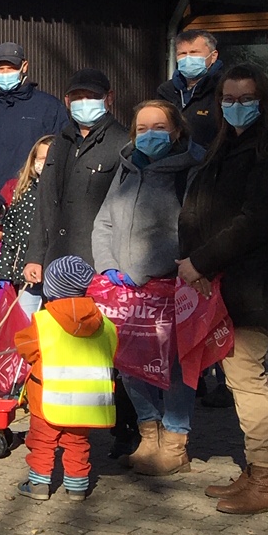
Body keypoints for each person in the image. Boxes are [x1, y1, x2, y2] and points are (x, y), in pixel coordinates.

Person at [178, 63, 268, 515]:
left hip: (254, 286)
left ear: (263, 101)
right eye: (228, 100)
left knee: (248, 378)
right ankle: (256, 469)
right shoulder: (226, 145)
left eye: (245, 99)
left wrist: (200, 260)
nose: (235, 107)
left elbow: (256, 222)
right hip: (223, 283)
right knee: (239, 378)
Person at [92, 99, 203, 477]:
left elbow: (191, 228)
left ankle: (175, 442)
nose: (149, 135)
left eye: (159, 127)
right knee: (127, 364)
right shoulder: (126, 169)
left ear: (176, 132)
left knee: (173, 365)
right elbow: (104, 222)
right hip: (124, 289)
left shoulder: (189, 170)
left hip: (169, 286)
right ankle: (148, 435)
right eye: (142, 129)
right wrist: (108, 266)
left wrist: (151, 269)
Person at [13, 256, 117, 502]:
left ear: (51, 289)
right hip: (86, 403)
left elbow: (26, 348)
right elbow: (112, 353)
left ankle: (38, 484)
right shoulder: (106, 325)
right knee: (78, 443)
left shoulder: (44, 322)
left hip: (46, 397)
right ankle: (77, 486)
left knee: (42, 441)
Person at [33, 68, 130, 274]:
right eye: (78, 97)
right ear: (67, 101)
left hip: (99, 264)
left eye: (92, 97)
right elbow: (44, 202)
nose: (85, 102)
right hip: (57, 260)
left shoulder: (124, 144)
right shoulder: (59, 143)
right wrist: (35, 256)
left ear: (109, 98)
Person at [0, 42, 69, 202]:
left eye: (11, 68)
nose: (5, 73)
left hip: (33, 200)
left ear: (24, 66)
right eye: (0, 68)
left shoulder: (49, 107)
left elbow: (63, 156)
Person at [0, 138, 55, 315]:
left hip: (55, 273)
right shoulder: (24, 192)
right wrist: (5, 270)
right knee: (24, 323)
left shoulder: (65, 194)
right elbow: (10, 232)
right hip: (25, 273)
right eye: (41, 158)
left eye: (49, 159)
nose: (45, 163)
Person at [158, 29, 226, 152]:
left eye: (194, 52)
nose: (188, 58)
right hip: (172, 161)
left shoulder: (224, 89)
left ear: (213, 56)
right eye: (182, 54)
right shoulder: (165, 91)